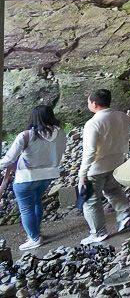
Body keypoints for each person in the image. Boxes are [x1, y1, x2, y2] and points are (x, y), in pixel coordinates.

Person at [0, 105, 67, 250]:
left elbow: (9, 159)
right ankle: (35, 233)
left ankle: (35, 238)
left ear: (33, 118)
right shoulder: (61, 132)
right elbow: (62, 151)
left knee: (26, 209)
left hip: (26, 177)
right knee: (36, 202)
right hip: (48, 176)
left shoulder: (26, 135)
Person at [78, 89, 130, 245]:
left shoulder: (93, 123)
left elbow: (90, 152)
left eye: (88, 102)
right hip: (116, 163)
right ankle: (124, 217)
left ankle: (98, 233)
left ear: (94, 104)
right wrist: (124, 156)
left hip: (95, 168)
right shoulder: (122, 117)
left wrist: (83, 173)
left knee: (91, 201)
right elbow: (126, 139)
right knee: (114, 191)